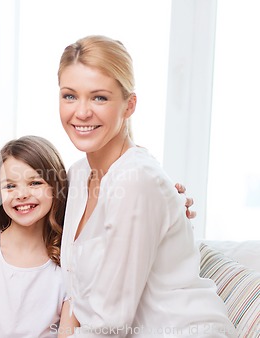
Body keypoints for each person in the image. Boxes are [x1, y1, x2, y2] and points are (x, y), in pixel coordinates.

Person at [57, 35, 236, 337]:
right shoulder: (77, 176)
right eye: (70, 96)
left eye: (99, 97)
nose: (82, 112)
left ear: (129, 105)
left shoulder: (138, 180)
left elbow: (108, 324)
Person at [0, 135, 76, 338]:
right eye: (10, 186)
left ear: (56, 187)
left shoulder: (69, 266)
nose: (22, 194)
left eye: (35, 182)